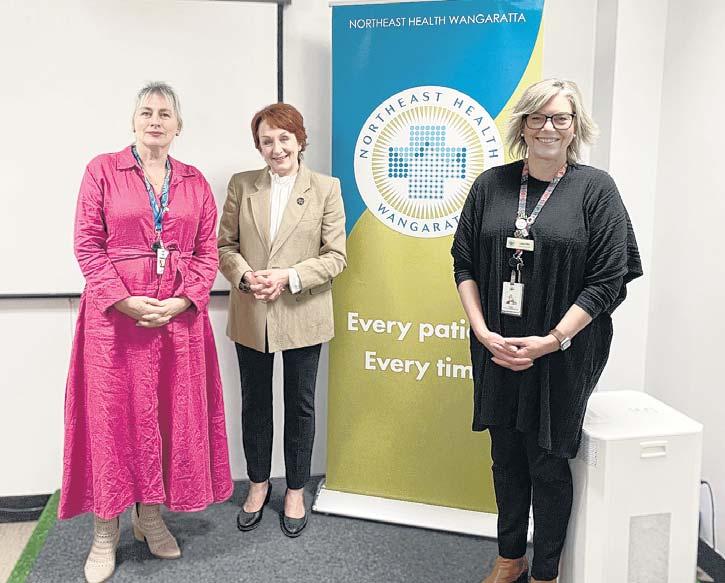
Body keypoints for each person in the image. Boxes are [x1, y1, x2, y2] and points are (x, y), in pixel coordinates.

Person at [451, 79, 642, 583]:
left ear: (575, 126)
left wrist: (552, 340)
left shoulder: (596, 189)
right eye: (537, 117)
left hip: (565, 350)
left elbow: (609, 277)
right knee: (505, 456)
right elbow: (463, 264)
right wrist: (482, 331)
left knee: (548, 461)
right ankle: (510, 557)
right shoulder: (490, 185)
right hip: (496, 347)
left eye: (560, 118)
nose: (548, 128)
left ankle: (546, 572)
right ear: (523, 125)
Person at [59, 82, 233, 583]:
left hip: (177, 322)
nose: (155, 120)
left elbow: (207, 252)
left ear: (179, 125)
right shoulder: (101, 170)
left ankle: (150, 516)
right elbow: (87, 244)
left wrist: (183, 300)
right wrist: (123, 299)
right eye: (146, 112)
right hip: (114, 323)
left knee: (165, 416)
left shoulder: (195, 182)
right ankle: (104, 531)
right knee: (110, 421)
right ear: (133, 121)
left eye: (164, 113)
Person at [218, 103, 346, 538]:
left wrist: (288, 277)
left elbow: (336, 256)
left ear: (299, 139)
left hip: (302, 313)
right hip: (251, 311)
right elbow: (225, 247)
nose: (276, 148)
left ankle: (294, 489)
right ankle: (258, 485)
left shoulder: (326, 188)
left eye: (284, 138)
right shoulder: (242, 185)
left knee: (300, 404)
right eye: (266, 140)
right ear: (258, 146)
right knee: (254, 401)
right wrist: (245, 275)